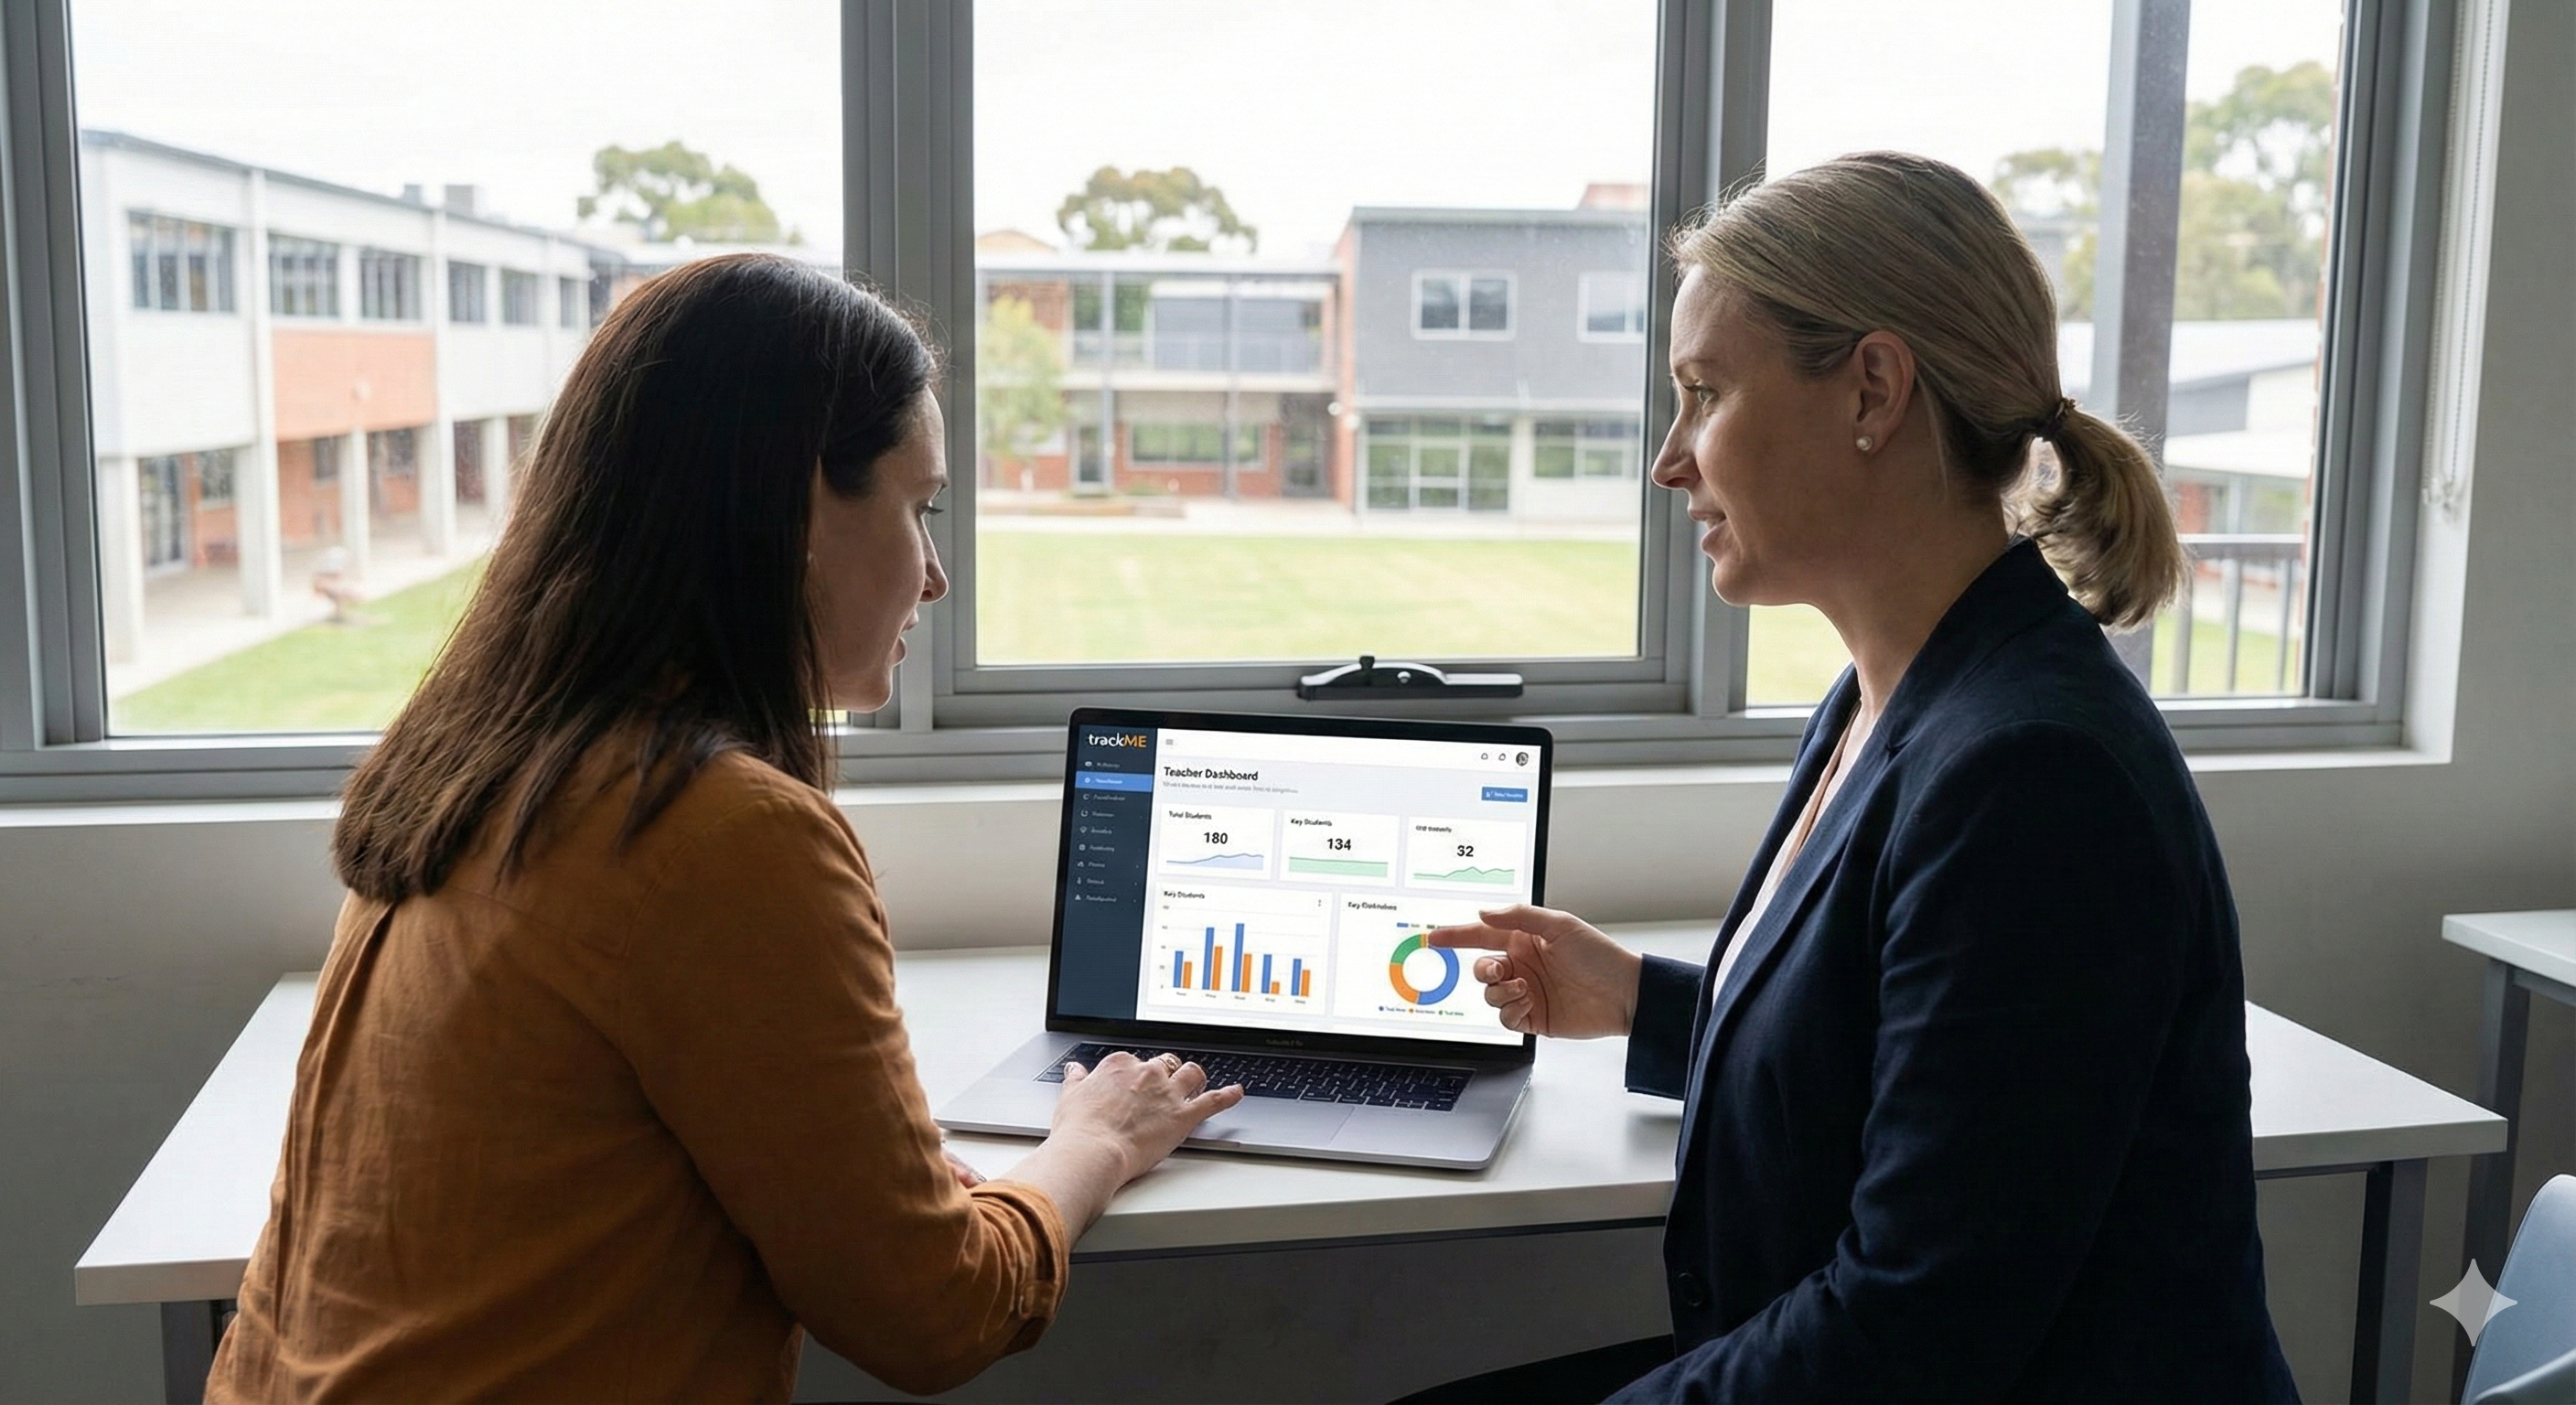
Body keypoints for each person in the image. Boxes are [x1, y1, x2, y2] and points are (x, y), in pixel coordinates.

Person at [208, 254, 1244, 1403]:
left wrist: (870, 1176)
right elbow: (936, 1316)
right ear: (798, 508)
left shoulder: (481, 760)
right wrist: (1092, 1144)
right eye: (918, 507)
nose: (936, 576)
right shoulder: (721, 835)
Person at [1422, 154, 2300, 1401]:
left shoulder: (2034, 775)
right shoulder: (1887, 694)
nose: (1670, 461)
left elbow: (1919, 1321)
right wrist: (1647, 1003)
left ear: (1874, 391)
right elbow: (1911, 1072)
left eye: (1705, 395)